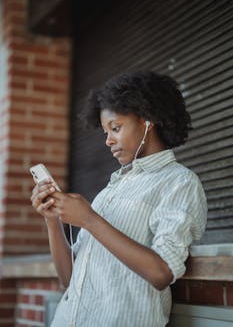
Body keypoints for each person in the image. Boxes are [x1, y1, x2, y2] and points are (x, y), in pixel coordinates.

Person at [31, 70, 207, 327]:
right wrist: (52, 220)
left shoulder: (179, 183)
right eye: (105, 132)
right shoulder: (111, 190)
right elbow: (70, 279)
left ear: (147, 120)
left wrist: (90, 219)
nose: (108, 140)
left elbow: (161, 273)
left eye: (115, 128)